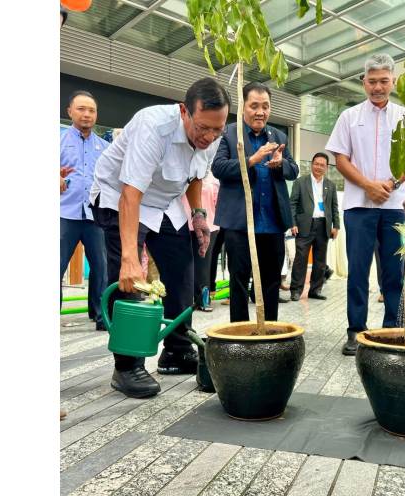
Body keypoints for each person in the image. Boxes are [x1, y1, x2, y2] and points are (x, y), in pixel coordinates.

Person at [89, 77, 230, 398]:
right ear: (184, 111)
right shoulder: (153, 126)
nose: (209, 137)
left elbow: (195, 176)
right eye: (202, 128)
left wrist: (198, 215)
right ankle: (127, 365)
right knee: (129, 281)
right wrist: (130, 258)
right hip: (119, 196)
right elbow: (130, 194)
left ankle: (177, 350)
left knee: (182, 269)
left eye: (217, 130)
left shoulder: (211, 134)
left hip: (164, 202)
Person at [326, 53, 405, 355]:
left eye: (384, 81)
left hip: (394, 206)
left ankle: (392, 330)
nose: (378, 87)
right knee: (357, 271)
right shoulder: (349, 117)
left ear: (393, 81)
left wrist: (391, 185)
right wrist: (368, 185)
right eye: (372, 81)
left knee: (394, 272)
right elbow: (340, 158)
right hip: (358, 206)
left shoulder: (404, 117)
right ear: (363, 82)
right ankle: (356, 330)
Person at [212, 82, 299, 322]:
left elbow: (294, 170)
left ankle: (269, 329)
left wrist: (281, 163)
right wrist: (251, 160)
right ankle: (239, 331)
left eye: (265, 106)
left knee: (271, 281)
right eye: (254, 106)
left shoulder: (279, 136)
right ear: (243, 106)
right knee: (239, 280)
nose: (260, 112)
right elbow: (218, 167)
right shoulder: (230, 133)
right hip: (240, 223)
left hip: (272, 223)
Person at [60, 90, 109, 331]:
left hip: (94, 216)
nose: (87, 114)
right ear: (69, 111)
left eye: (91, 110)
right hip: (64, 214)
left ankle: (100, 316)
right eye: (81, 109)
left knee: (101, 267)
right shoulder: (58, 141)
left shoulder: (105, 147)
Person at [289, 152, 340, 301]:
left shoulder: (330, 185)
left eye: (322, 165)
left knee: (320, 261)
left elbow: (334, 207)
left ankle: (315, 290)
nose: (318, 167)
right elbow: (292, 204)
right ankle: (296, 290)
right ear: (312, 164)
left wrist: (336, 226)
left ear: (326, 167)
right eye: (316, 164)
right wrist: (292, 223)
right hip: (304, 225)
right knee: (300, 259)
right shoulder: (300, 182)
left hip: (323, 225)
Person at [182, 166, 221, 312]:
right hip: (184, 224)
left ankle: (203, 300)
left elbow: (218, 203)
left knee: (203, 265)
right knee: (184, 264)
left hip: (209, 227)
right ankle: (184, 299)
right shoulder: (185, 175)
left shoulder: (213, 179)